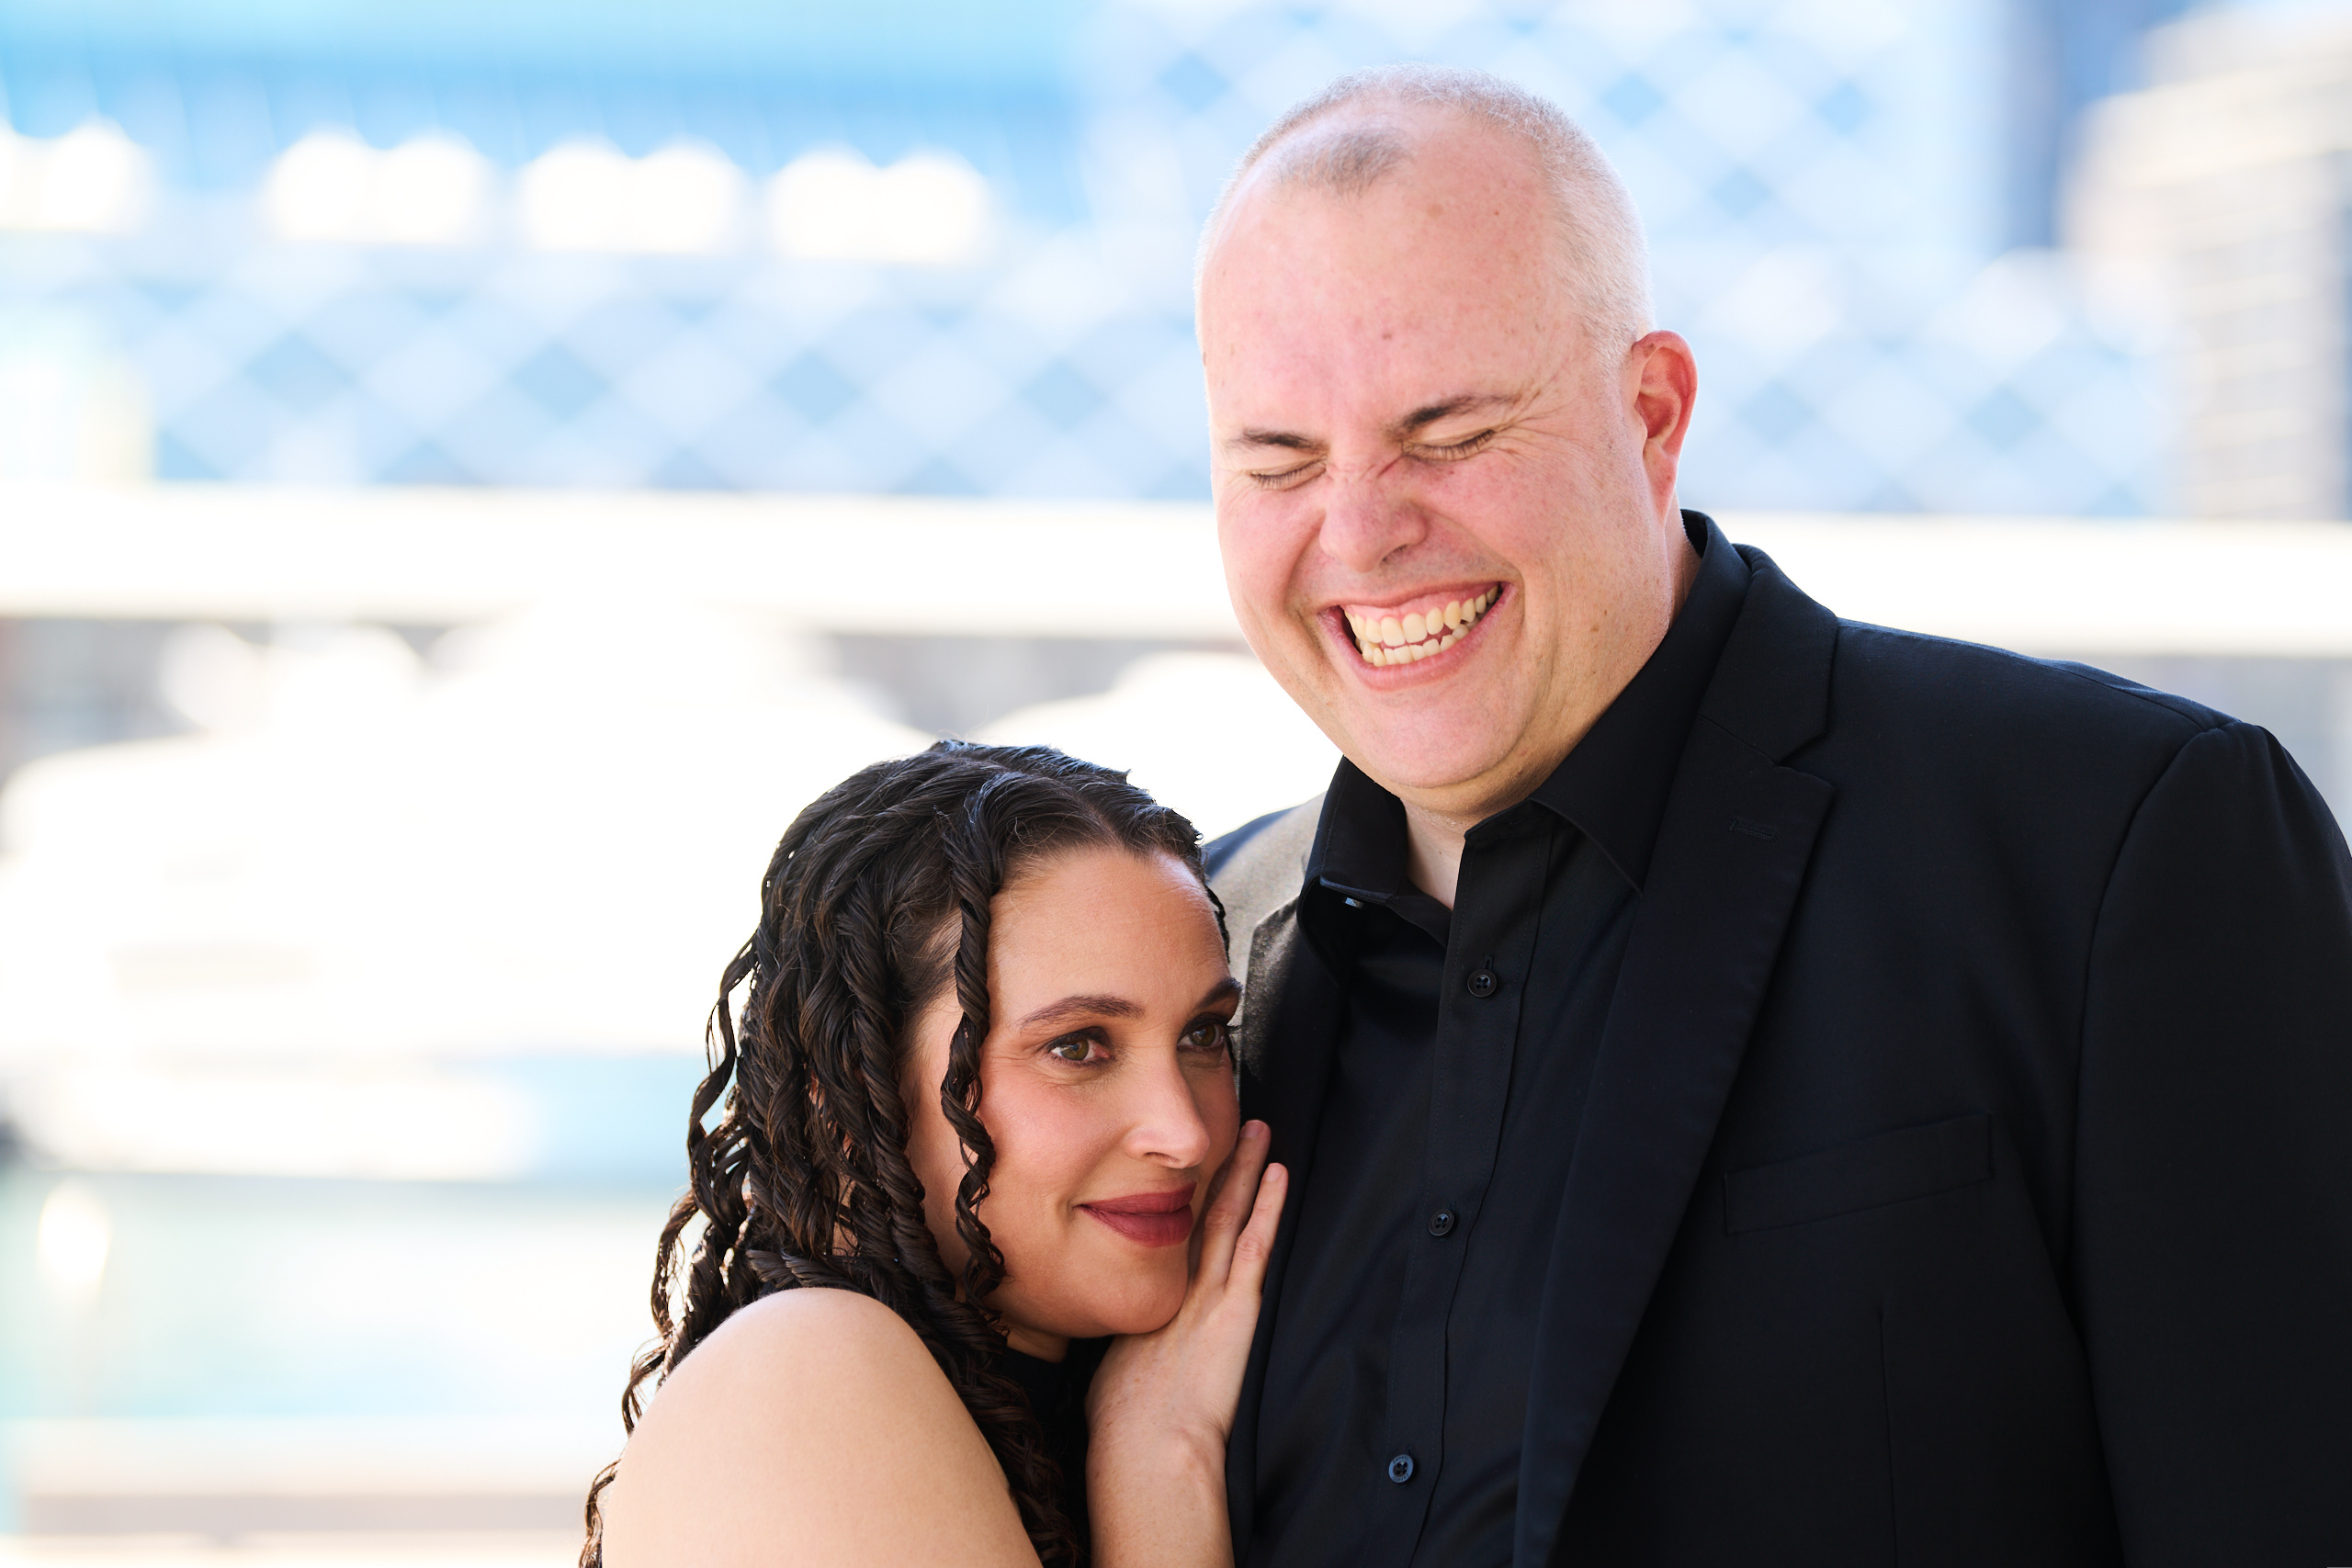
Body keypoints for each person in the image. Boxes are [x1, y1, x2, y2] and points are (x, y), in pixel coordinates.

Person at [1197, 64, 2352, 1567]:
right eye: (1280, 460)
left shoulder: (2125, 850)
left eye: (1449, 432)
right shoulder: (1197, 966)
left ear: (1653, 411)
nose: (1359, 530)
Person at [582, 741, 1285, 1568]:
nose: (1187, 1131)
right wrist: (1160, 1472)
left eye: (1202, 1033)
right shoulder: (804, 1370)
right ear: (853, 1084)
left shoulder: (1073, 1388)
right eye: (1077, 1047)